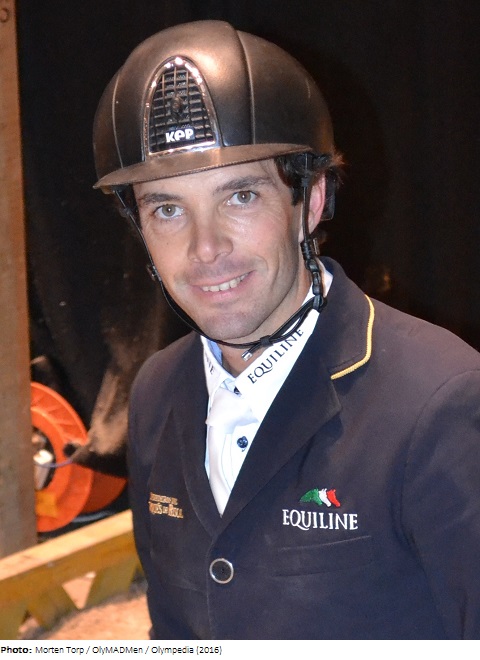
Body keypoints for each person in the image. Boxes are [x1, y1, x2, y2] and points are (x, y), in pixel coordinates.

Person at [92, 20, 480, 639]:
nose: (206, 248)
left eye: (240, 197)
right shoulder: (155, 393)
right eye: (167, 209)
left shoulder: (441, 401)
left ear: (312, 200)